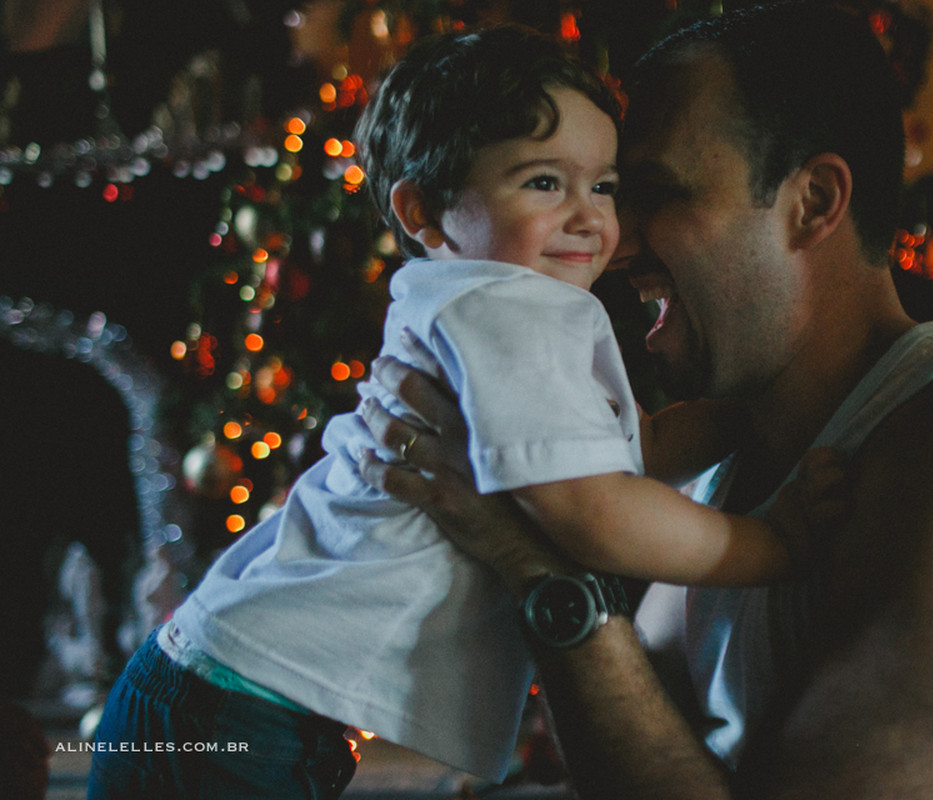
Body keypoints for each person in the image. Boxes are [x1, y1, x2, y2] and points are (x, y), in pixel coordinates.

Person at [358, 4, 933, 798]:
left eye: (654, 191)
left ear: (813, 203)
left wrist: (532, 556)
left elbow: (594, 655)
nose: (613, 243)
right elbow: (631, 755)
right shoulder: (732, 460)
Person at [87, 24, 838, 798]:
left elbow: (627, 452)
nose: (588, 216)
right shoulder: (507, 310)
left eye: (604, 185)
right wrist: (770, 546)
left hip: (229, 695)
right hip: (236, 715)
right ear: (427, 214)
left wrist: (750, 411)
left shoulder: (487, 307)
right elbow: (594, 513)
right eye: (544, 182)